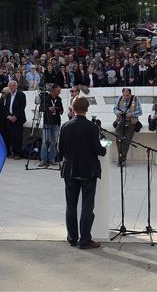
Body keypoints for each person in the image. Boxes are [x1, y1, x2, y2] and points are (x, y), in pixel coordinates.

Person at [58, 97, 106, 250]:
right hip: (88, 170)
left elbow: (60, 150)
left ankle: (72, 238)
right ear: (86, 109)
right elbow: (98, 150)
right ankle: (85, 239)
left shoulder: (65, 126)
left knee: (71, 205)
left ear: (73, 108)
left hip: (70, 170)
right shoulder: (92, 127)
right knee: (87, 206)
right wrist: (104, 148)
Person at [113, 88, 141, 166]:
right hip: (120, 122)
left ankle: (122, 160)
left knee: (126, 142)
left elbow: (140, 111)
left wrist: (131, 114)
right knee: (118, 141)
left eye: (127, 95)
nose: (125, 97)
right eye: (124, 95)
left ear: (130, 94)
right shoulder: (119, 98)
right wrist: (118, 113)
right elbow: (114, 109)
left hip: (131, 123)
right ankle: (121, 159)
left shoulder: (135, 99)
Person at [39, 84, 64, 167]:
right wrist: (48, 109)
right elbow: (41, 108)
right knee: (45, 141)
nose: (59, 92)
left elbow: (62, 109)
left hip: (56, 122)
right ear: (53, 90)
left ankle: (52, 159)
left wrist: (58, 109)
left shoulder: (59, 99)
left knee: (54, 142)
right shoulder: (46, 98)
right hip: (47, 122)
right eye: (58, 91)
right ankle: (43, 159)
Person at [3, 80, 26, 159]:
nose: (12, 87)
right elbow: (6, 107)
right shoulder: (8, 95)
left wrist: (15, 116)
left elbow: (22, 107)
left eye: (13, 85)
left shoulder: (21, 95)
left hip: (18, 119)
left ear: (16, 86)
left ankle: (18, 153)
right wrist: (9, 116)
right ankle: (13, 151)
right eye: (10, 86)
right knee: (11, 136)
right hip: (10, 118)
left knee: (18, 136)